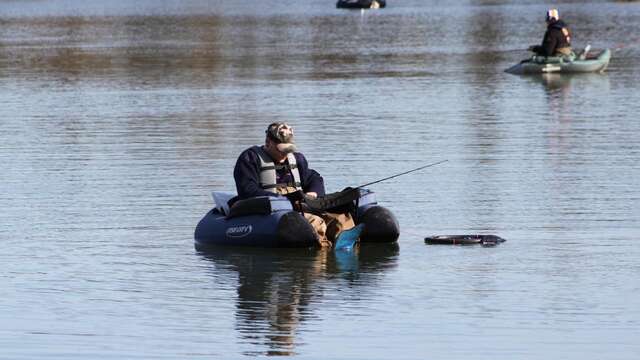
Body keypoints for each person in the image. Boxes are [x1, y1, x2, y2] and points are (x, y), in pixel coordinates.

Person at [233, 122, 361, 248]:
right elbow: (247, 190)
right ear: (268, 142)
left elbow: (314, 178)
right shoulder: (250, 158)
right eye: (281, 150)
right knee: (315, 222)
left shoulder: (297, 159)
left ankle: (344, 250)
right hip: (274, 208)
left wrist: (313, 193)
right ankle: (323, 254)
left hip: (300, 203)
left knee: (342, 219)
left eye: (288, 150)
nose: (285, 154)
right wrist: (284, 199)